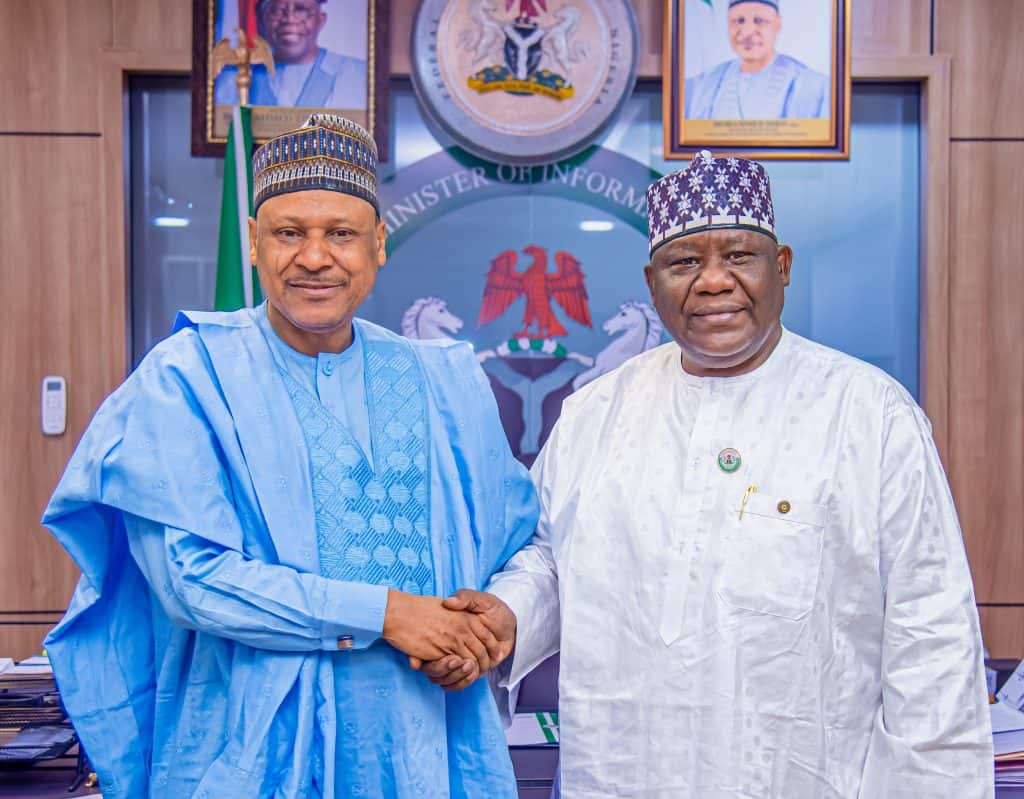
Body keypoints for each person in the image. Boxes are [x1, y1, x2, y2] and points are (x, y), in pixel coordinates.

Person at [422, 150, 995, 797]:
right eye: (685, 262)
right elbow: (552, 562)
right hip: (619, 775)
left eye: (740, 256)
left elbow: (931, 639)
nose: (714, 281)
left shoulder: (869, 414)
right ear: (653, 283)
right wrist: (507, 616)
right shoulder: (596, 413)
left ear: (782, 267)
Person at [42, 114, 536, 798]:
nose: (314, 257)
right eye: (288, 232)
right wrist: (390, 613)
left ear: (378, 243)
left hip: (423, 745)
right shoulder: (186, 378)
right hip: (249, 748)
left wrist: (481, 631)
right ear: (253, 242)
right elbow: (191, 579)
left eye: (341, 234)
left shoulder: (446, 381)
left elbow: (519, 539)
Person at [685, 0, 828, 120]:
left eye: (759, 21)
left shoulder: (813, 85)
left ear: (777, 24)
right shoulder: (702, 85)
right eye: (739, 21)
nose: (747, 32)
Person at [215, 0, 368, 108]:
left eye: (301, 9)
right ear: (261, 20)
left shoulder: (358, 76)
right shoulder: (231, 79)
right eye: (276, 10)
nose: (289, 19)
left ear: (320, 20)